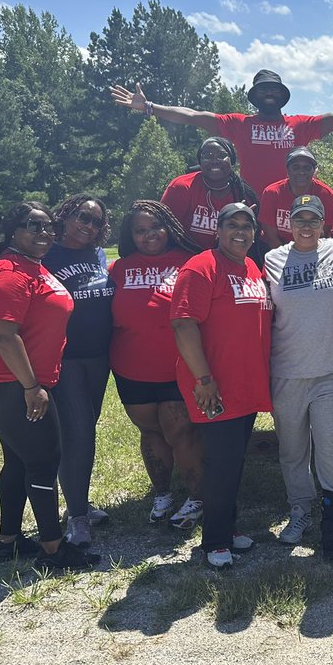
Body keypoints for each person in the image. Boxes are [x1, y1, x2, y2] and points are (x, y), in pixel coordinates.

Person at [0, 202, 100, 572]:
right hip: (9, 383)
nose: (44, 233)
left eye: (49, 227)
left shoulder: (32, 265)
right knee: (44, 461)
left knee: (18, 459)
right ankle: (53, 548)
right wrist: (31, 386)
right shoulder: (8, 273)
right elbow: (4, 335)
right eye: (34, 226)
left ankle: (7, 541)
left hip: (20, 382)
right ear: (13, 231)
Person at [111, 69, 333, 194]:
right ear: (255, 97)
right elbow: (192, 116)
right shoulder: (238, 124)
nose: (269, 94)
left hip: (294, 204)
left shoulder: (300, 125)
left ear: (282, 96)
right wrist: (149, 107)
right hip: (251, 204)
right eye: (263, 90)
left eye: (274, 90)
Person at [170, 203, 273, 570]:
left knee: (233, 460)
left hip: (245, 384)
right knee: (221, 463)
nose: (240, 232)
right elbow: (183, 324)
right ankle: (214, 541)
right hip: (214, 387)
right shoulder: (201, 267)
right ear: (218, 229)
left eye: (248, 225)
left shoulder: (251, 268)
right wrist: (203, 379)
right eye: (233, 224)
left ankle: (227, 528)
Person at [262, 195, 333, 559]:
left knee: (332, 446)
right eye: (299, 219)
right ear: (288, 224)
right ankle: (300, 509)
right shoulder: (271, 259)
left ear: (324, 224)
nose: (306, 226)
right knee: (292, 449)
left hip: (332, 370)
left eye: (313, 220)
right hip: (287, 371)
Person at [109, 201, 206, 530]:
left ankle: (197, 497)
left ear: (169, 227)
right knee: (150, 431)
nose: (149, 235)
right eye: (140, 230)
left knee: (181, 431)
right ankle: (162, 494)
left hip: (178, 366)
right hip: (131, 369)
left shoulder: (190, 262)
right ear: (130, 235)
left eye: (155, 227)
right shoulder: (118, 269)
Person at [43, 194, 115, 548]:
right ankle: (77, 517)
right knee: (79, 434)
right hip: (65, 358)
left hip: (99, 357)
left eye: (96, 221)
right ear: (66, 215)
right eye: (82, 217)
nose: (88, 225)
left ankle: (77, 500)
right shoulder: (47, 254)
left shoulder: (97, 255)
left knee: (82, 430)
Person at [160, 136, 262, 256]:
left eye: (222, 155)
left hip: (228, 258)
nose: (215, 160)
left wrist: (246, 221)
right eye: (208, 155)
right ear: (200, 162)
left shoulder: (243, 195)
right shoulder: (181, 187)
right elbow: (165, 230)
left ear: (232, 161)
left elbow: (253, 239)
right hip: (183, 257)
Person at [258, 147, 333, 248]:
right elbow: (271, 237)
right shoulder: (272, 193)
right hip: (275, 250)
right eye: (296, 167)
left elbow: (323, 234)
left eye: (307, 168)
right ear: (287, 170)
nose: (301, 172)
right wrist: (286, 255)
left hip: (313, 250)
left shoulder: (326, 195)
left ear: (314, 171)